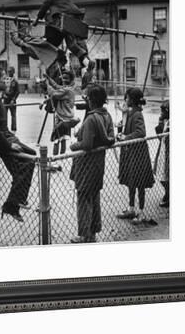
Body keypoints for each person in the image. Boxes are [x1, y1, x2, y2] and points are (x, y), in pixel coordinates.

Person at [0, 66, 36, 222]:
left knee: (30, 156)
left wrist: (12, 138)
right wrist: (9, 145)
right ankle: (12, 204)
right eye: (4, 78)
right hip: (3, 142)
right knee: (25, 165)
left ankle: (17, 199)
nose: (7, 81)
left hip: (7, 137)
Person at [69, 84, 115, 243]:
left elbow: (87, 144)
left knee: (83, 199)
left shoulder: (91, 118)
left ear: (91, 100)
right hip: (98, 164)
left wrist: (74, 145)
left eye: (87, 97)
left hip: (86, 165)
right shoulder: (106, 115)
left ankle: (83, 234)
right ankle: (93, 231)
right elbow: (108, 137)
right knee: (94, 197)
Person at [32, 0, 93, 70]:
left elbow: (46, 3)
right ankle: (87, 62)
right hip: (73, 16)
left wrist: (38, 18)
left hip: (64, 17)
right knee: (72, 45)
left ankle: (58, 64)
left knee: (50, 44)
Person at [116, 88, 156, 224]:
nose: (125, 100)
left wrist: (126, 137)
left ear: (132, 100)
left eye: (127, 98)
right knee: (131, 181)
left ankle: (141, 211)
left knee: (140, 183)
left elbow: (141, 132)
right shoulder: (129, 113)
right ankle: (131, 208)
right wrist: (120, 131)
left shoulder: (137, 114)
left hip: (138, 153)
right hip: (130, 152)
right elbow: (127, 128)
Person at [45, 69, 80, 156]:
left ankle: (55, 159)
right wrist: (49, 78)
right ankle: (61, 158)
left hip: (62, 118)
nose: (63, 80)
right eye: (62, 78)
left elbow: (53, 93)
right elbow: (57, 86)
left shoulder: (67, 91)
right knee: (63, 138)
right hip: (68, 118)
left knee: (56, 139)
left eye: (66, 78)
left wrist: (47, 85)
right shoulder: (69, 88)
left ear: (70, 80)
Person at [155, 100, 170, 208]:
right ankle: (167, 192)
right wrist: (160, 124)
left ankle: (168, 195)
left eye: (162, 112)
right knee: (161, 174)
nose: (161, 114)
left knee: (167, 174)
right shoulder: (165, 122)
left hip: (168, 152)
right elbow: (160, 137)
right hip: (163, 150)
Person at [2, 66, 20, 131]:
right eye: (8, 71)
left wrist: (13, 99)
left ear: (13, 72)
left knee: (13, 115)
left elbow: (17, 91)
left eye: (10, 71)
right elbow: (3, 89)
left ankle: (14, 128)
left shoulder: (15, 81)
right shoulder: (5, 80)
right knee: (4, 115)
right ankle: (4, 128)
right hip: (5, 99)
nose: (9, 72)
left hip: (12, 99)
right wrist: (3, 95)